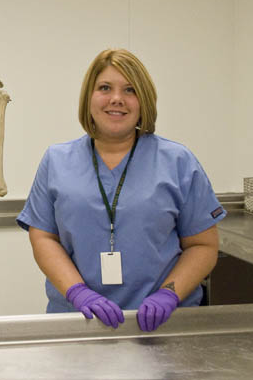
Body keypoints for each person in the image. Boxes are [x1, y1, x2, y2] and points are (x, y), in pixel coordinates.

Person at [17, 48, 226, 332]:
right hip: (78, 323)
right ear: (89, 97)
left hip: (163, 325)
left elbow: (203, 245)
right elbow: (43, 237)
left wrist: (169, 294)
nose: (117, 98)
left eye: (130, 90)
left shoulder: (178, 162)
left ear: (143, 100)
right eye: (105, 88)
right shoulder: (56, 160)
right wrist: (78, 292)